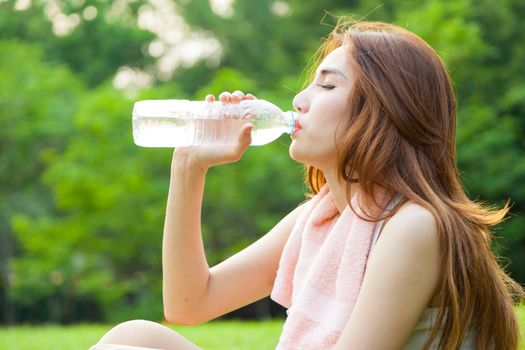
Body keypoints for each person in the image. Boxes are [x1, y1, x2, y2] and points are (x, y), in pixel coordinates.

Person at [91, 20, 524, 349]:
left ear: (383, 110)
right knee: (136, 336)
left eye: (328, 84)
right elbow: (188, 304)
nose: (299, 100)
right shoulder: (324, 217)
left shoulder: (414, 226)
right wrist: (189, 166)